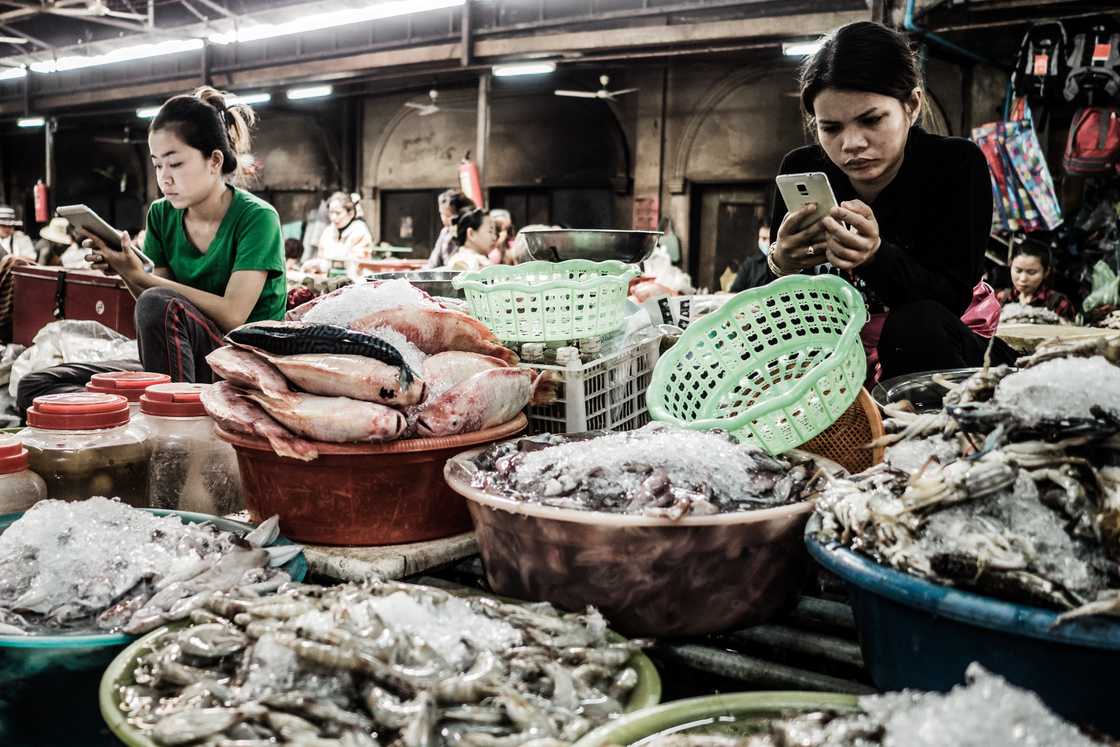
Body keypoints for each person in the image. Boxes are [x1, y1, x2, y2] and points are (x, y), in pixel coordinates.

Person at [745, 20, 1014, 380]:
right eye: (831, 128)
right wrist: (781, 263)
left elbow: (950, 299)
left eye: (871, 120)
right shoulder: (801, 168)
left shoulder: (956, 165)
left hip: (938, 348)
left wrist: (875, 256)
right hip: (842, 350)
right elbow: (777, 307)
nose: (851, 144)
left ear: (912, 105)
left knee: (915, 327)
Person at [83, 86, 285, 383]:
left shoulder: (257, 218)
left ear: (214, 161)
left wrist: (139, 275)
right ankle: (169, 395)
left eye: (175, 163)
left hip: (246, 361)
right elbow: (158, 302)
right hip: (188, 354)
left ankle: (173, 404)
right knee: (41, 383)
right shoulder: (161, 214)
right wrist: (124, 269)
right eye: (157, 164)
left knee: (155, 303)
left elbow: (233, 315)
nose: (164, 178)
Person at [996, 243, 1076, 321]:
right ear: (1010, 265)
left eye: (1031, 272)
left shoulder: (1059, 303)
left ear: (1046, 272)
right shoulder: (1002, 298)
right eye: (1018, 270)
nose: (1023, 279)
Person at [301, 191, 373, 274]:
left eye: (338, 213)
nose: (333, 217)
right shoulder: (328, 232)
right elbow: (321, 258)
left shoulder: (360, 231)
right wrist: (314, 265)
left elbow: (357, 264)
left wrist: (324, 265)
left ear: (350, 213)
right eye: (331, 212)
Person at [427, 189, 475, 268]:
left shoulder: (470, 233)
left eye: (449, 216)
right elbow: (433, 263)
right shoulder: (445, 232)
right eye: (442, 214)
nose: (444, 219)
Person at [443, 207, 495, 272]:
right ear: (471, 234)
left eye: (495, 233)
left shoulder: (476, 258)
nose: (494, 237)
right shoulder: (464, 260)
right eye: (490, 231)